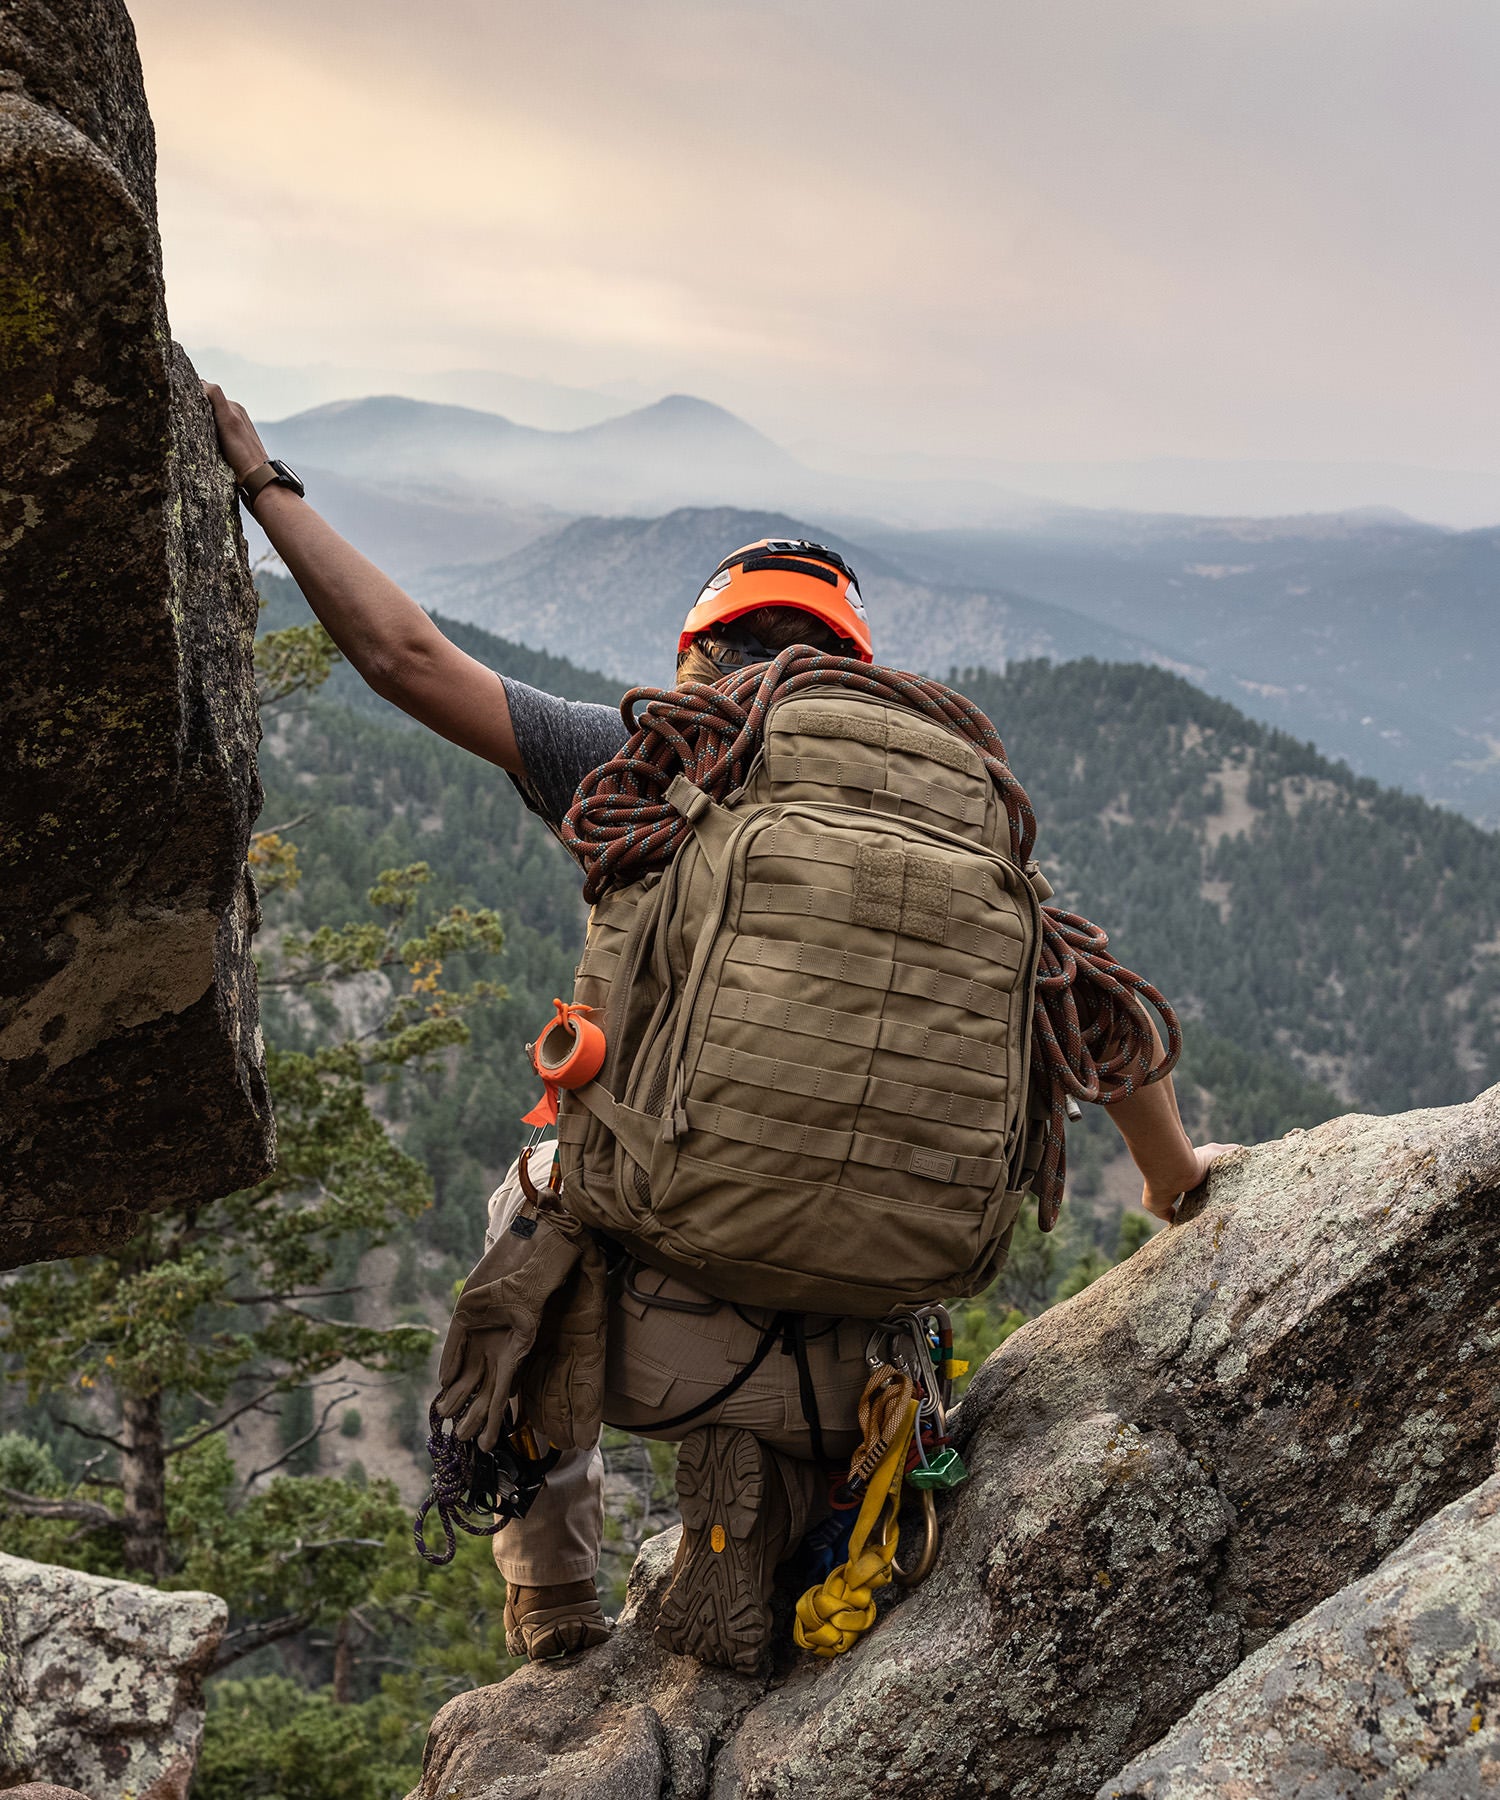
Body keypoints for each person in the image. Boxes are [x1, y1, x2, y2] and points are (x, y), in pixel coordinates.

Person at [204, 384, 1235, 1669]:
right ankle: (779, 1502)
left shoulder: (654, 764)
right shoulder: (954, 828)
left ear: (702, 655)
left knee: (526, 1200)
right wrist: (1175, 1185)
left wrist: (263, 480)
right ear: (847, 672)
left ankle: (557, 1608)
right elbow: (1110, 1027)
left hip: (656, 1330)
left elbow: (405, 659)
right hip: (864, 1363)